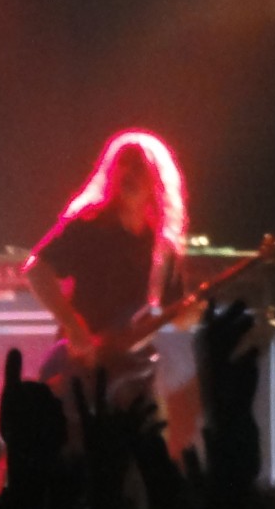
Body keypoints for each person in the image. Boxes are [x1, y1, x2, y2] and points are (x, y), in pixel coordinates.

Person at [22, 130, 188, 389]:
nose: (129, 172)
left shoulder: (162, 245)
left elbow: (175, 311)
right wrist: (73, 325)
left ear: (156, 181)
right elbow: (36, 269)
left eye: (139, 167)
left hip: (131, 371)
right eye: (123, 164)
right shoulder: (90, 225)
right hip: (83, 362)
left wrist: (193, 314)